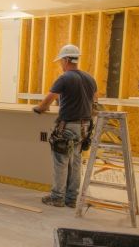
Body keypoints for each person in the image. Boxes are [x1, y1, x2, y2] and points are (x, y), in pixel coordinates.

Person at [33, 44, 97, 207]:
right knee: (75, 162)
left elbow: (48, 100)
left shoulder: (65, 78)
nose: (61, 64)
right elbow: (95, 103)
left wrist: (39, 109)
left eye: (61, 61)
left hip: (68, 126)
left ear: (67, 59)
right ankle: (71, 198)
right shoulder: (90, 78)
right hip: (84, 127)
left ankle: (57, 197)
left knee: (61, 161)